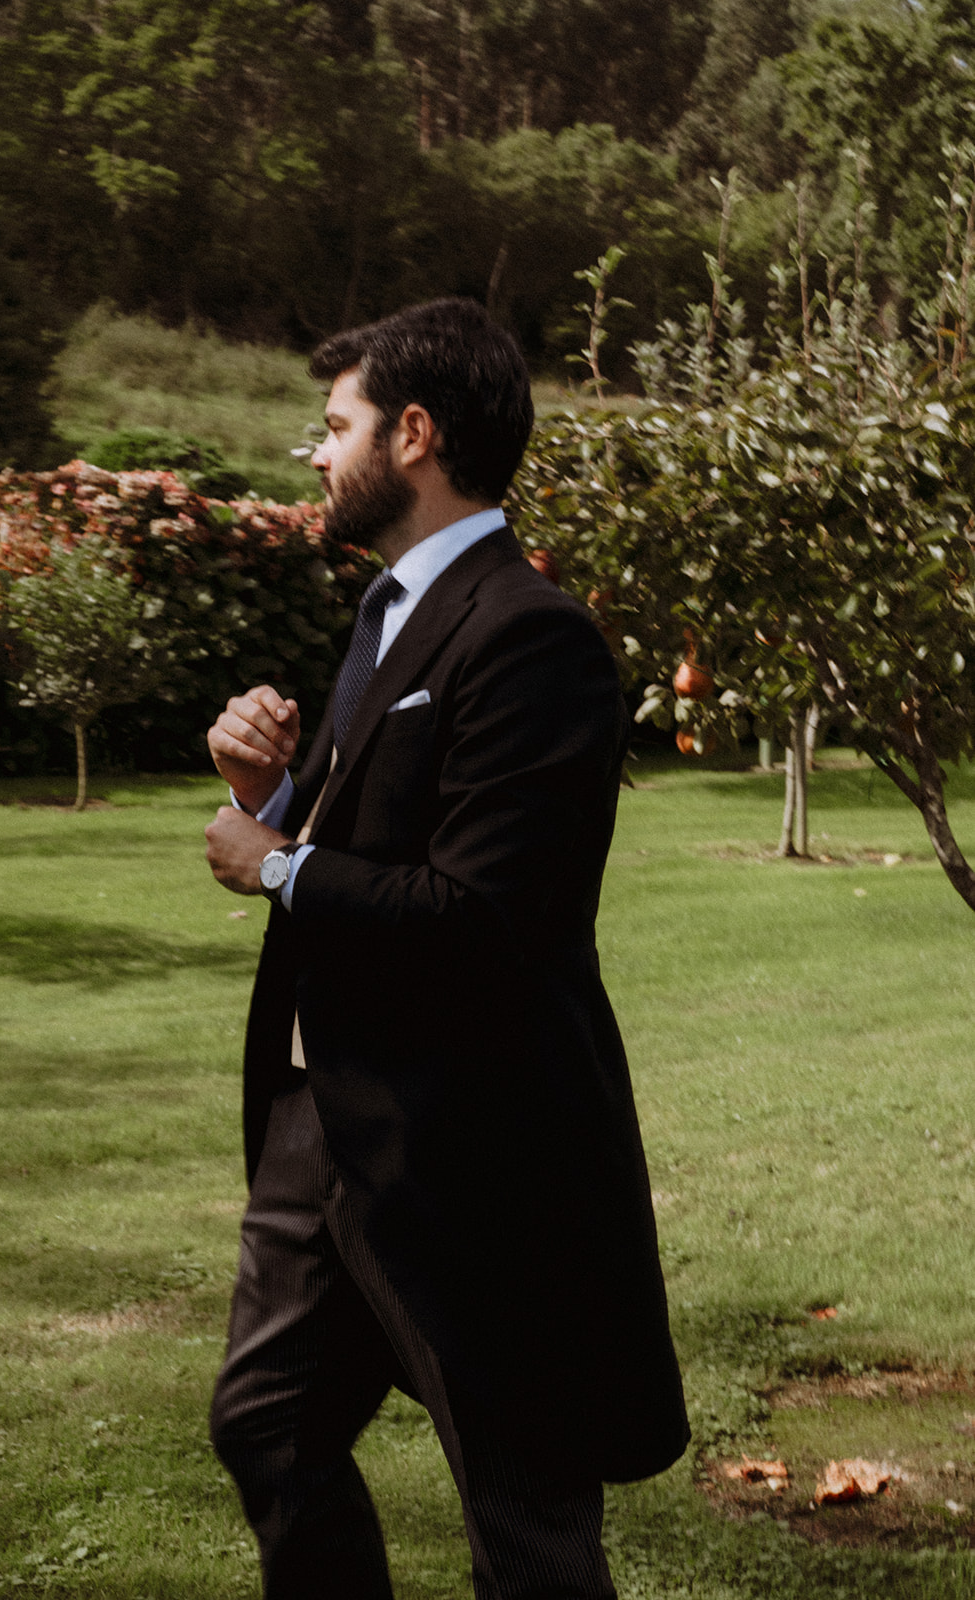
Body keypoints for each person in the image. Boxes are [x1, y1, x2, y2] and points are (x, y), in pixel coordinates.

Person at [203, 298, 688, 1600]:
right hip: (323, 1118)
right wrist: (269, 792)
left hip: (471, 1148)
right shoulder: (388, 612)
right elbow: (369, 832)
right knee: (268, 1425)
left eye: (336, 425)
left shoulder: (533, 633)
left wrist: (277, 862)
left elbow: (484, 917)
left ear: (412, 434)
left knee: (524, 1523)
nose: (317, 453)